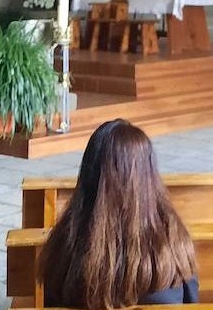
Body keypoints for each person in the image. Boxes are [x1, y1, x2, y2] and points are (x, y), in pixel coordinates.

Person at [37, 119, 198, 308]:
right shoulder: (174, 242)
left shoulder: (64, 245)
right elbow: (192, 303)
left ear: (90, 175)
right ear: (149, 175)